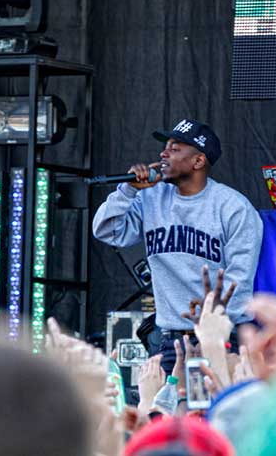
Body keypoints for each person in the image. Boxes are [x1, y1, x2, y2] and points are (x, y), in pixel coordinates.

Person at [93, 119, 263, 372]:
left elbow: (239, 281)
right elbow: (107, 230)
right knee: (164, 410)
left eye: (175, 148)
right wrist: (128, 191)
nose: (164, 153)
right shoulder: (151, 196)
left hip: (221, 336)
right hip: (170, 339)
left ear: (198, 161)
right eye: (165, 146)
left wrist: (210, 325)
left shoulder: (233, 208)